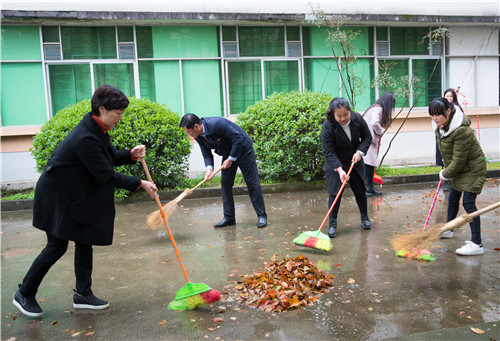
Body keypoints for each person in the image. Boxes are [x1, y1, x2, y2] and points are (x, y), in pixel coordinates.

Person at [13, 84, 158, 317]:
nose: (120, 117)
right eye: (118, 113)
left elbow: (107, 159)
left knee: (84, 239)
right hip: (56, 196)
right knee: (56, 247)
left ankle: (83, 294)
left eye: (122, 113)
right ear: (101, 109)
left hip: (74, 194)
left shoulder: (97, 128)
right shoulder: (85, 137)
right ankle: (24, 293)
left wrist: (130, 155)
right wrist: (140, 183)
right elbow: (105, 174)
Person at [179, 113, 267, 228]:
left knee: (252, 183)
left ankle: (262, 216)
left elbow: (238, 138)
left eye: (189, 131)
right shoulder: (198, 136)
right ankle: (229, 218)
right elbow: (206, 153)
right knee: (225, 184)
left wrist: (231, 159)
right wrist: (209, 169)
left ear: (196, 126)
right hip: (227, 152)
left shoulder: (217, 124)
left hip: (243, 149)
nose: (188, 134)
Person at [429, 97, 487, 255]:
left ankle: (477, 244)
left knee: (468, 203)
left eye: (438, 114)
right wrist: (446, 168)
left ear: (448, 111)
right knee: (453, 198)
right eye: (432, 115)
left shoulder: (462, 130)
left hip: (472, 170)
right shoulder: (440, 127)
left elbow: (459, 160)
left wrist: (445, 173)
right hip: (458, 170)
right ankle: (449, 229)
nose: (434, 118)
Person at [320, 97, 373, 238]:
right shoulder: (328, 125)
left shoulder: (357, 119)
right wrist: (339, 169)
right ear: (333, 114)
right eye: (339, 116)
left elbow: (367, 137)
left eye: (346, 114)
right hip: (335, 162)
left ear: (350, 111)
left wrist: (360, 152)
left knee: (360, 190)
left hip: (354, 159)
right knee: (335, 193)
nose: (343, 118)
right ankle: (332, 224)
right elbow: (328, 150)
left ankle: (364, 218)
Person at [362, 91, 396, 197]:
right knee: (367, 165)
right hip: (367, 139)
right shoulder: (378, 109)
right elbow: (374, 122)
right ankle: (365, 189)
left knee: (371, 164)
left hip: (369, 139)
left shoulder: (376, 108)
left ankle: (370, 188)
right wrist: (381, 132)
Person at [436, 88, 464, 191]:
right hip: (443, 138)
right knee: (445, 161)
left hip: (452, 140)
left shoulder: (456, 109)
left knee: (452, 162)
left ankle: (452, 183)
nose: (448, 98)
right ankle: (447, 183)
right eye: (446, 96)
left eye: (450, 97)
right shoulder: (440, 108)